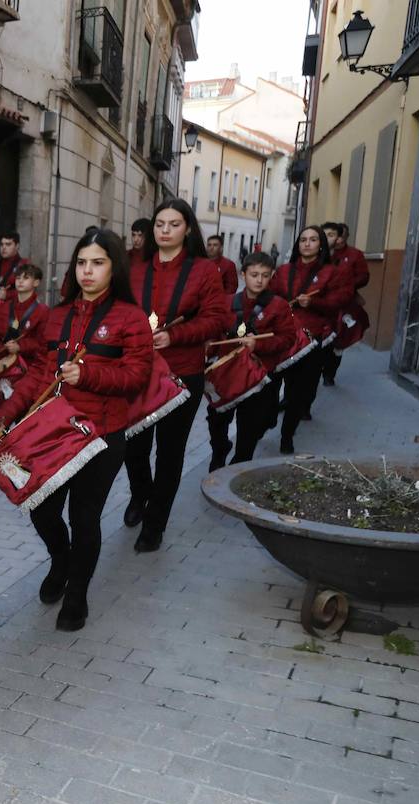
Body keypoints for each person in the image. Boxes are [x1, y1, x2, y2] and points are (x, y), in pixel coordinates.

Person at [0, 229, 151, 631]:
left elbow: (137, 376)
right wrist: (9, 410)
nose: (88, 271)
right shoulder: (58, 315)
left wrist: (89, 374)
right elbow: (42, 374)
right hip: (54, 431)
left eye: (98, 263)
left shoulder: (130, 318)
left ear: (114, 267)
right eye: (82, 262)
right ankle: (60, 560)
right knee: (41, 509)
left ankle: (77, 596)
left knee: (85, 517)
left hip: (102, 435)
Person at [123, 198, 228, 551]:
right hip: (138, 371)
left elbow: (217, 319)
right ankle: (141, 495)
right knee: (133, 446)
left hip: (182, 373)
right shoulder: (135, 268)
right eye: (160, 224)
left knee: (169, 452)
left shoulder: (203, 270)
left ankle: (155, 524)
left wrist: (175, 335)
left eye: (174, 224)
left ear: (188, 229)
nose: (165, 230)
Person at [206, 252, 297, 470]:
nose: (259, 280)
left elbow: (287, 339)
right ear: (243, 274)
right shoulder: (227, 302)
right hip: (227, 374)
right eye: (254, 274)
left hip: (259, 377)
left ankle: (239, 467)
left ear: (272, 276)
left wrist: (259, 345)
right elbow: (214, 329)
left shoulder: (279, 306)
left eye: (265, 275)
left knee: (249, 429)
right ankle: (220, 451)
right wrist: (208, 345)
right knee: (216, 420)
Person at [272, 225, 346, 453]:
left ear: (321, 244)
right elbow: (271, 296)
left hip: (311, 341)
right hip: (281, 338)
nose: (307, 243)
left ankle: (287, 436)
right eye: (303, 239)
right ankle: (268, 420)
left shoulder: (331, 272)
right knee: (270, 387)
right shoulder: (284, 270)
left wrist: (313, 303)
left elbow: (338, 303)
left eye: (313, 239)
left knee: (297, 392)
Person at [321, 221, 370, 386]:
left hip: (344, 304)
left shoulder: (355, 255)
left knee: (340, 341)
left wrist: (347, 285)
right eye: (334, 235)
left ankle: (329, 373)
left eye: (341, 235)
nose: (338, 239)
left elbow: (363, 277)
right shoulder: (322, 254)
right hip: (322, 304)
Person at [0, 263, 48, 366]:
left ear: (36, 282)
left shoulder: (43, 311)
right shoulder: (3, 308)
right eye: (18, 278)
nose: (20, 281)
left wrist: (20, 346)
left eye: (26, 278)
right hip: (0, 363)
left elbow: (43, 344)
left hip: (28, 365)